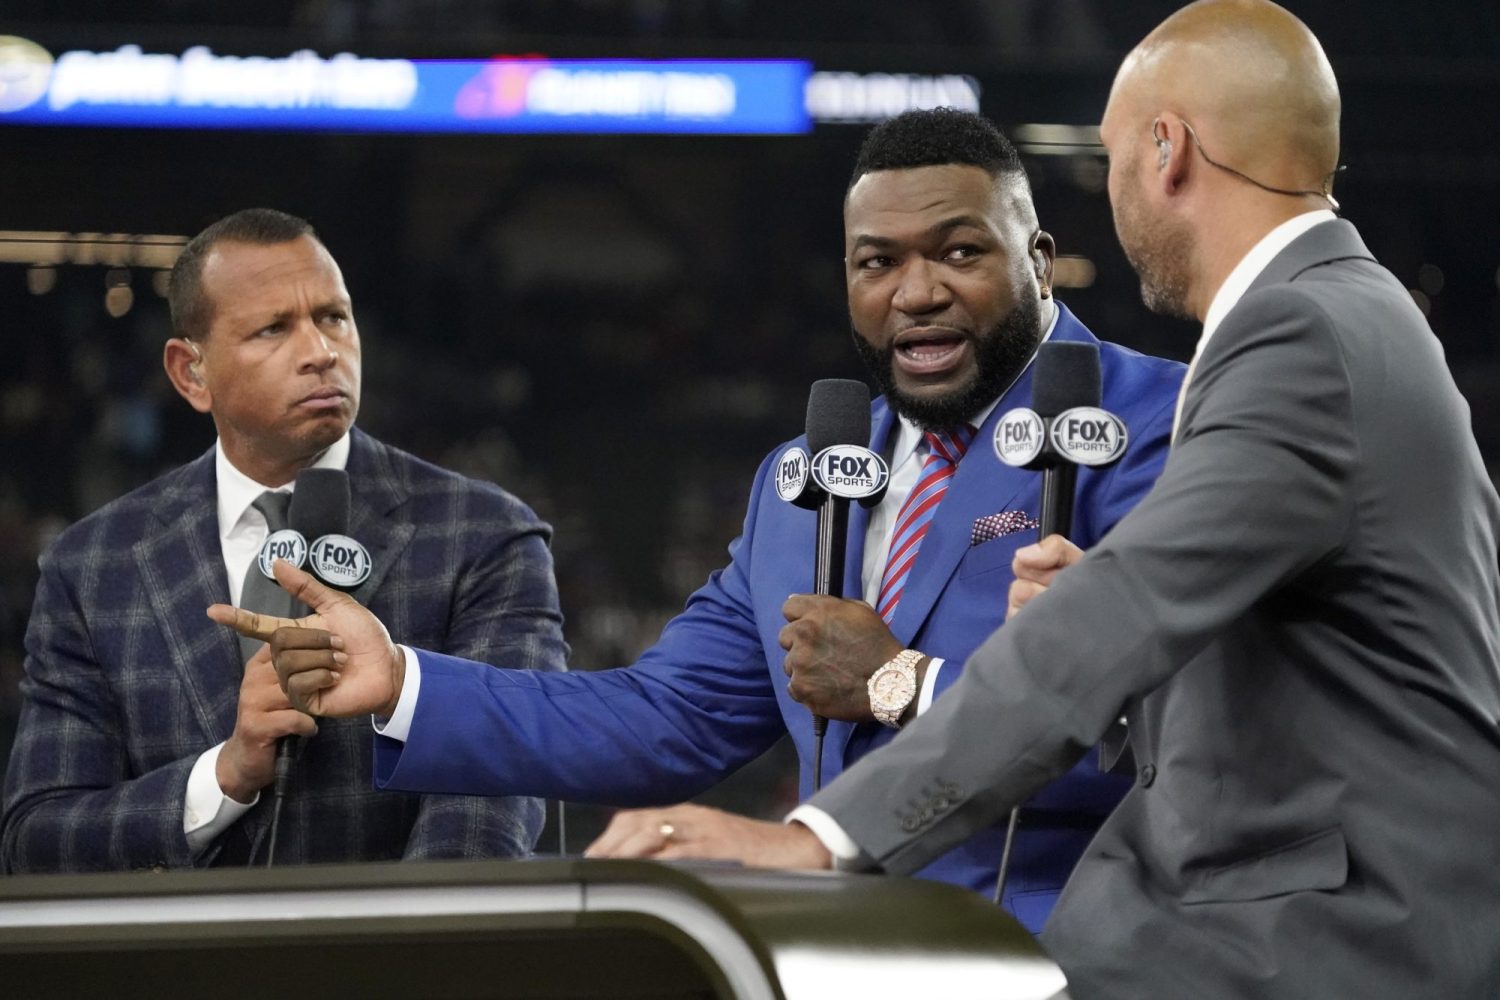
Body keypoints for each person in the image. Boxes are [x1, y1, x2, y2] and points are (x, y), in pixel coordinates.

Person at [585, 2, 1500, 997]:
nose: (1111, 193)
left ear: (1167, 150)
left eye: (1110, 158)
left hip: (1313, 939)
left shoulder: (1299, 335)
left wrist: (820, 838)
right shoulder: (1342, 315)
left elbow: (1124, 614)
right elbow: (1273, 659)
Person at [213, 112, 1186, 932]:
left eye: (960, 252)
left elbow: (1188, 741)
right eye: (877, 262)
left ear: (1040, 262)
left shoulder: (1166, 429)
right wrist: (403, 680)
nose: (916, 291)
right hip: (837, 956)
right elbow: (666, 718)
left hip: (1082, 955)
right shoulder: (801, 484)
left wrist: (898, 682)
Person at [1, 209, 567, 871]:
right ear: (191, 373)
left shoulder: (486, 536)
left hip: (395, 938)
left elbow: (492, 800)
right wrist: (224, 776)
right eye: (274, 328)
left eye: (334, 317)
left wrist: (390, 935)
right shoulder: (93, 567)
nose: (321, 351)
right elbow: (38, 839)